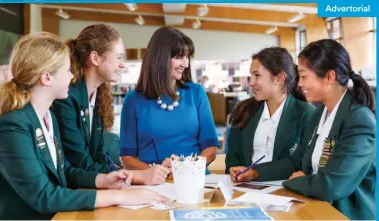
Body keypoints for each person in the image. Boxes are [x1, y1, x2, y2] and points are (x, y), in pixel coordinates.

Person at [0, 33, 167, 220]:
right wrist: (118, 195)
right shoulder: (12, 126)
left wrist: (103, 180)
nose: (72, 76)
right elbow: (43, 196)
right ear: (46, 78)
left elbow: (65, 172)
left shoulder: (47, 117)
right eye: (66, 71)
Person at [280, 39, 376, 220]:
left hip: (346, 215)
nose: (299, 84)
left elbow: (333, 185)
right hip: (318, 209)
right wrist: (255, 173)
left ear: (330, 77)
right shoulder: (319, 115)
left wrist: (297, 182)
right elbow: (299, 161)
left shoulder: (358, 120)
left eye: (304, 76)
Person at [119, 26, 219, 176]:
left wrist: (184, 170)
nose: (185, 64)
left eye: (187, 57)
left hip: (194, 180)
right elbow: (127, 159)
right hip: (153, 183)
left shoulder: (196, 93)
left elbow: (210, 150)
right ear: (160, 58)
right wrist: (158, 172)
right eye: (179, 57)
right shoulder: (133, 101)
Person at [226, 47, 314, 181]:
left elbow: (301, 162)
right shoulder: (244, 111)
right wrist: (234, 170)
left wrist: (255, 173)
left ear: (279, 78)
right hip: (245, 191)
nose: (251, 82)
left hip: (287, 192)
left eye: (257, 75)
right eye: (251, 76)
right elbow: (232, 159)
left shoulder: (306, 114)